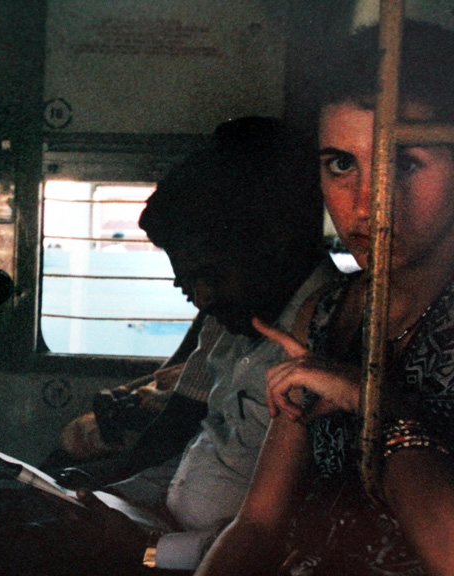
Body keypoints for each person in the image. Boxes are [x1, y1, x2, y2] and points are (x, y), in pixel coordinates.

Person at [0, 116, 338, 575]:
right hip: (165, 527)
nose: (202, 298)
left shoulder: (323, 339)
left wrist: (148, 547)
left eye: (209, 275)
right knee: (7, 534)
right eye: (188, 283)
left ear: (271, 242)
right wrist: (106, 495)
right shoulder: (235, 326)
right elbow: (193, 453)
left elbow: (270, 531)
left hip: (197, 556)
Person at [196, 20, 454, 576]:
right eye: (342, 164)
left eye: (403, 164)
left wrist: (378, 403)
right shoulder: (328, 314)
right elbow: (259, 523)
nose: (365, 204)